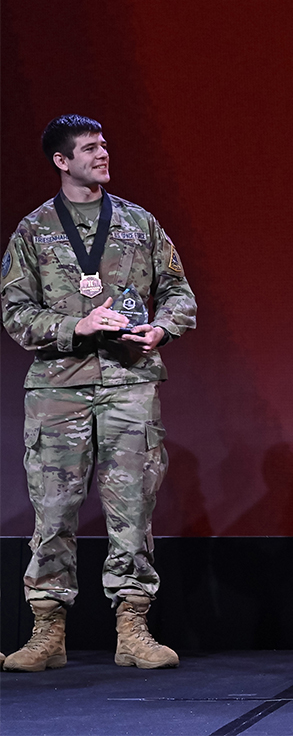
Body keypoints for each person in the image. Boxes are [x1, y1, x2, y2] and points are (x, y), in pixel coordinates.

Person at [2, 114, 197, 673]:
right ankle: (46, 633)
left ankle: (132, 628)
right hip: (58, 390)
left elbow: (180, 293)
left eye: (104, 145)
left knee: (132, 509)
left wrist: (162, 328)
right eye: (89, 148)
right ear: (61, 161)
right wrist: (76, 327)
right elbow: (14, 314)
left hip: (130, 383)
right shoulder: (34, 231)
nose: (102, 154)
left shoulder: (139, 223)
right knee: (54, 510)